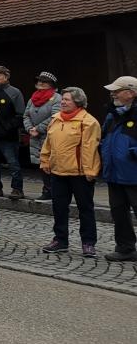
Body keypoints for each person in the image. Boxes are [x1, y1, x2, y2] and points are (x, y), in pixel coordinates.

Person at [39, 87, 101, 257]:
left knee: (85, 209)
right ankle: (60, 240)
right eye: (63, 99)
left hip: (80, 174)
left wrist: (90, 171)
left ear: (78, 102)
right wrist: (45, 160)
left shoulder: (88, 122)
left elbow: (90, 149)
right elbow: (48, 144)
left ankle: (88, 243)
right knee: (59, 208)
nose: (63, 102)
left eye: (67, 100)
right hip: (58, 173)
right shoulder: (56, 119)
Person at [101, 76, 137, 262]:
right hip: (114, 174)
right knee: (118, 212)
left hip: (134, 174)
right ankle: (125, 248)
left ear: (131, 93)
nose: (112, 93)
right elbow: (103, 138)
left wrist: (133, 153)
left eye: (117, 90)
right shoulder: (112, 114)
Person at [0, 66, 25, 198]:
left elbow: (20, 115)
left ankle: (17, 189)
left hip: (9, 136)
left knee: (13, 163)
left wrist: (7, 128)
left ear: (6, 77)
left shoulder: (14, 92)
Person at [24, 71, 61, 201]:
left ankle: (53, 191)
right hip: (35, 136)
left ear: (51, 84)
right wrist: (29, 128)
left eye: (44, 81)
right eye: (39, 81)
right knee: (41, 163)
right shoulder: (33, 98)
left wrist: (39, 128)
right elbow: (26, 115)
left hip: (49, 136)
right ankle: (47, 189)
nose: (40, 83)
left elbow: (55, 116)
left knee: (51, 163)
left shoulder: (57, 98)